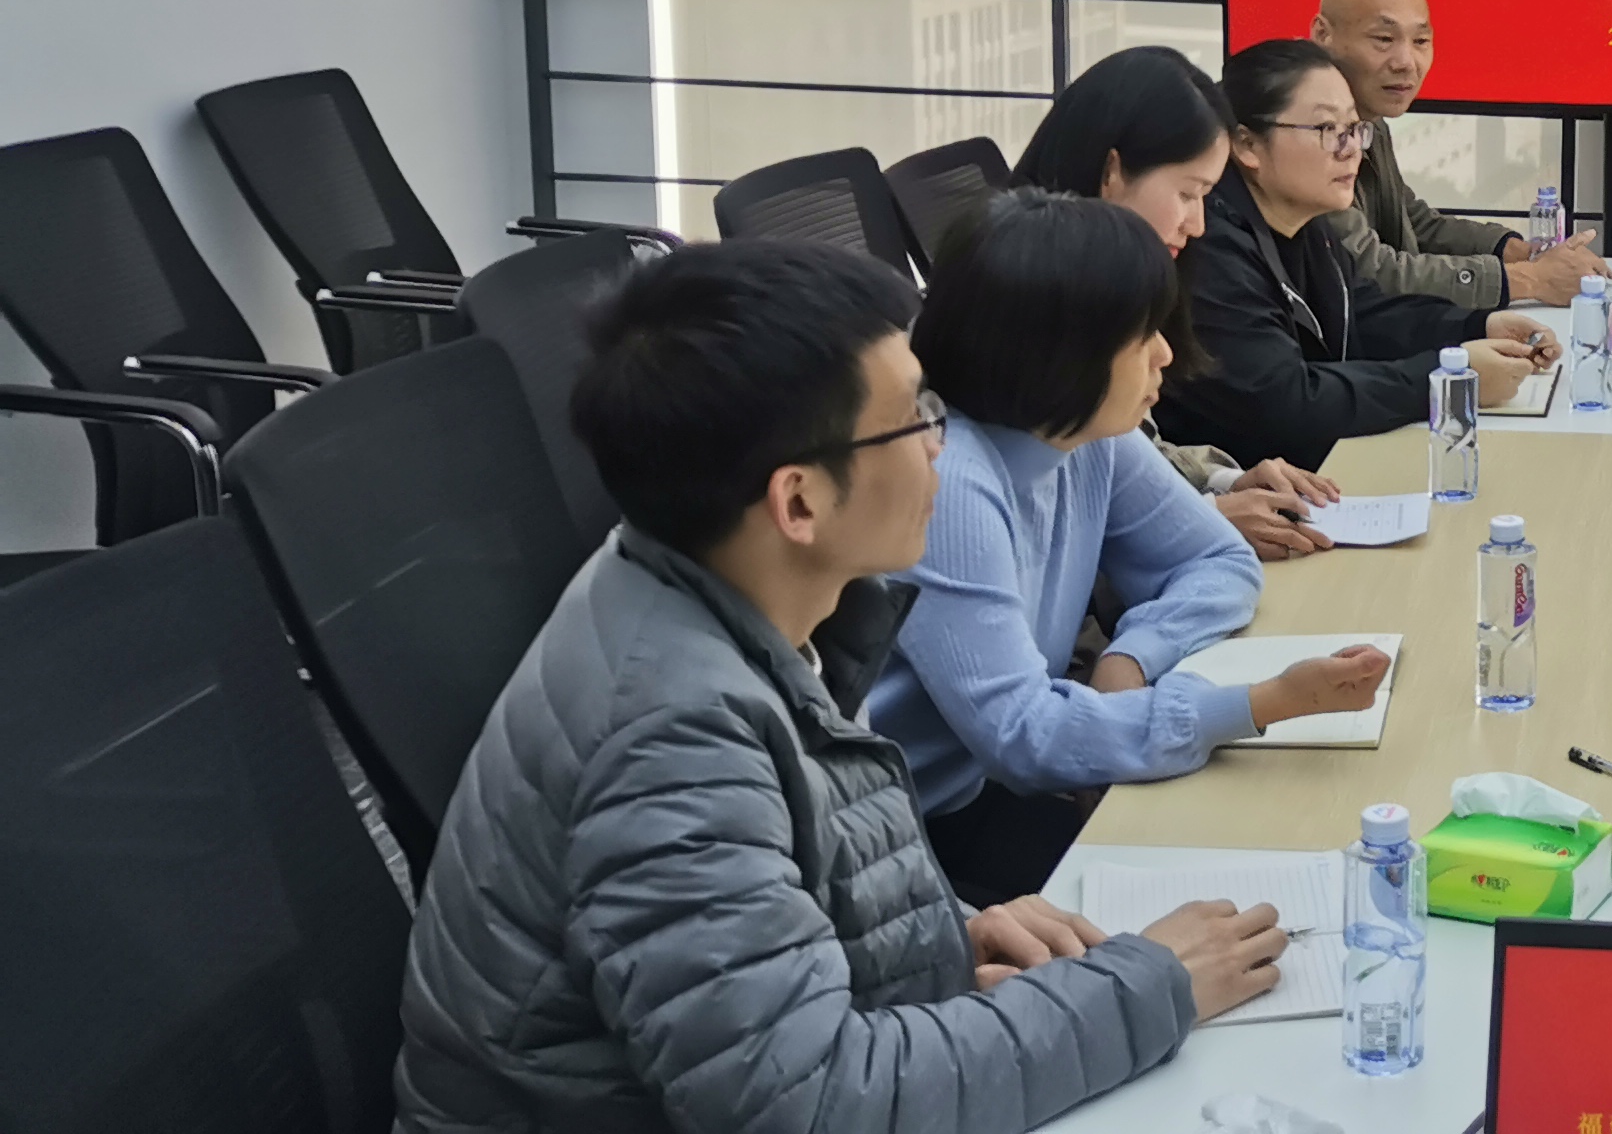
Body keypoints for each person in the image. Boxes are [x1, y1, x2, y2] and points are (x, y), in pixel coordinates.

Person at [394, 238, 1294, 1132]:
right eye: (916, 418)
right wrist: (1149, 986)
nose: (943, 444)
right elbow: (814, 1105)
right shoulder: (671, 740)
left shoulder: (734, 595)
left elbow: (776, 933)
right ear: (798, 502)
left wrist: (948, 937)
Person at [867, 191, 1395, 905]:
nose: (1167, 354)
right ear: (1060, 354)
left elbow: (1220, 561)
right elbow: (1026, 737)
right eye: (1142, 336)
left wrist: (1131, 658)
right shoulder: (951, 482)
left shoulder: (1086, 433)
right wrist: (1265, 701)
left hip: (988, 784)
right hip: (909, 830)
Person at [1157, 38, 1558, 469]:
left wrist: (1476, 326)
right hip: (1246, 492)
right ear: (1247, 144)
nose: (1351, 149)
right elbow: (1284, 402)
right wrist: (1444, 381)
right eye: (1327, 129)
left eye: (1354, 129)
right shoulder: (1208, 247)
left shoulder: (1306, 222)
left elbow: (1362, 312)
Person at [1010, 44, 1339, 560]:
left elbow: (1134, 451)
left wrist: (1224, 482)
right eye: (1187, 194)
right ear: (1112, 171)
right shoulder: (1027, 301)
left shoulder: (1105, 277)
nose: (1198, 224)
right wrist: (1206, 516)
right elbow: (1055, 513)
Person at [1305, 0, 1612, 306]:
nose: (1406, 63)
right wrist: (1530, 279)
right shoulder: (1304, 132)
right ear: (1322, 34)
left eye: (1421, 41)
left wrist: (1522, 252)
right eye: (1384, 39)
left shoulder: (1367, 119)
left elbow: (1415, 223)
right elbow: (1370, 272)